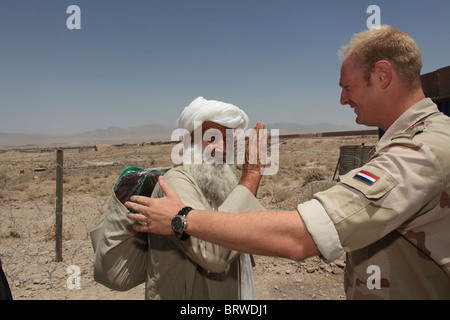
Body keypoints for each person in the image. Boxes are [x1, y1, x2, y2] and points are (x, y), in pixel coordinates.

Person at [125, 26, 450, 299]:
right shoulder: (179, 180)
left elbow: (300, 237)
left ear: (382, 75)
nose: (342, 99)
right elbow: (219, 252)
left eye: (348, 87)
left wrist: (184, 217)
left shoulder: (420, 149)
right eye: (213, 136)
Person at [91, 96, 267, 300]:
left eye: (227, 140)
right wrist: (251, 176)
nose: (223, 150)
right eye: (212, 138)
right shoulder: (176, 182)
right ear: (188, 140)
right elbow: (215, 256)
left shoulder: (215, 184)